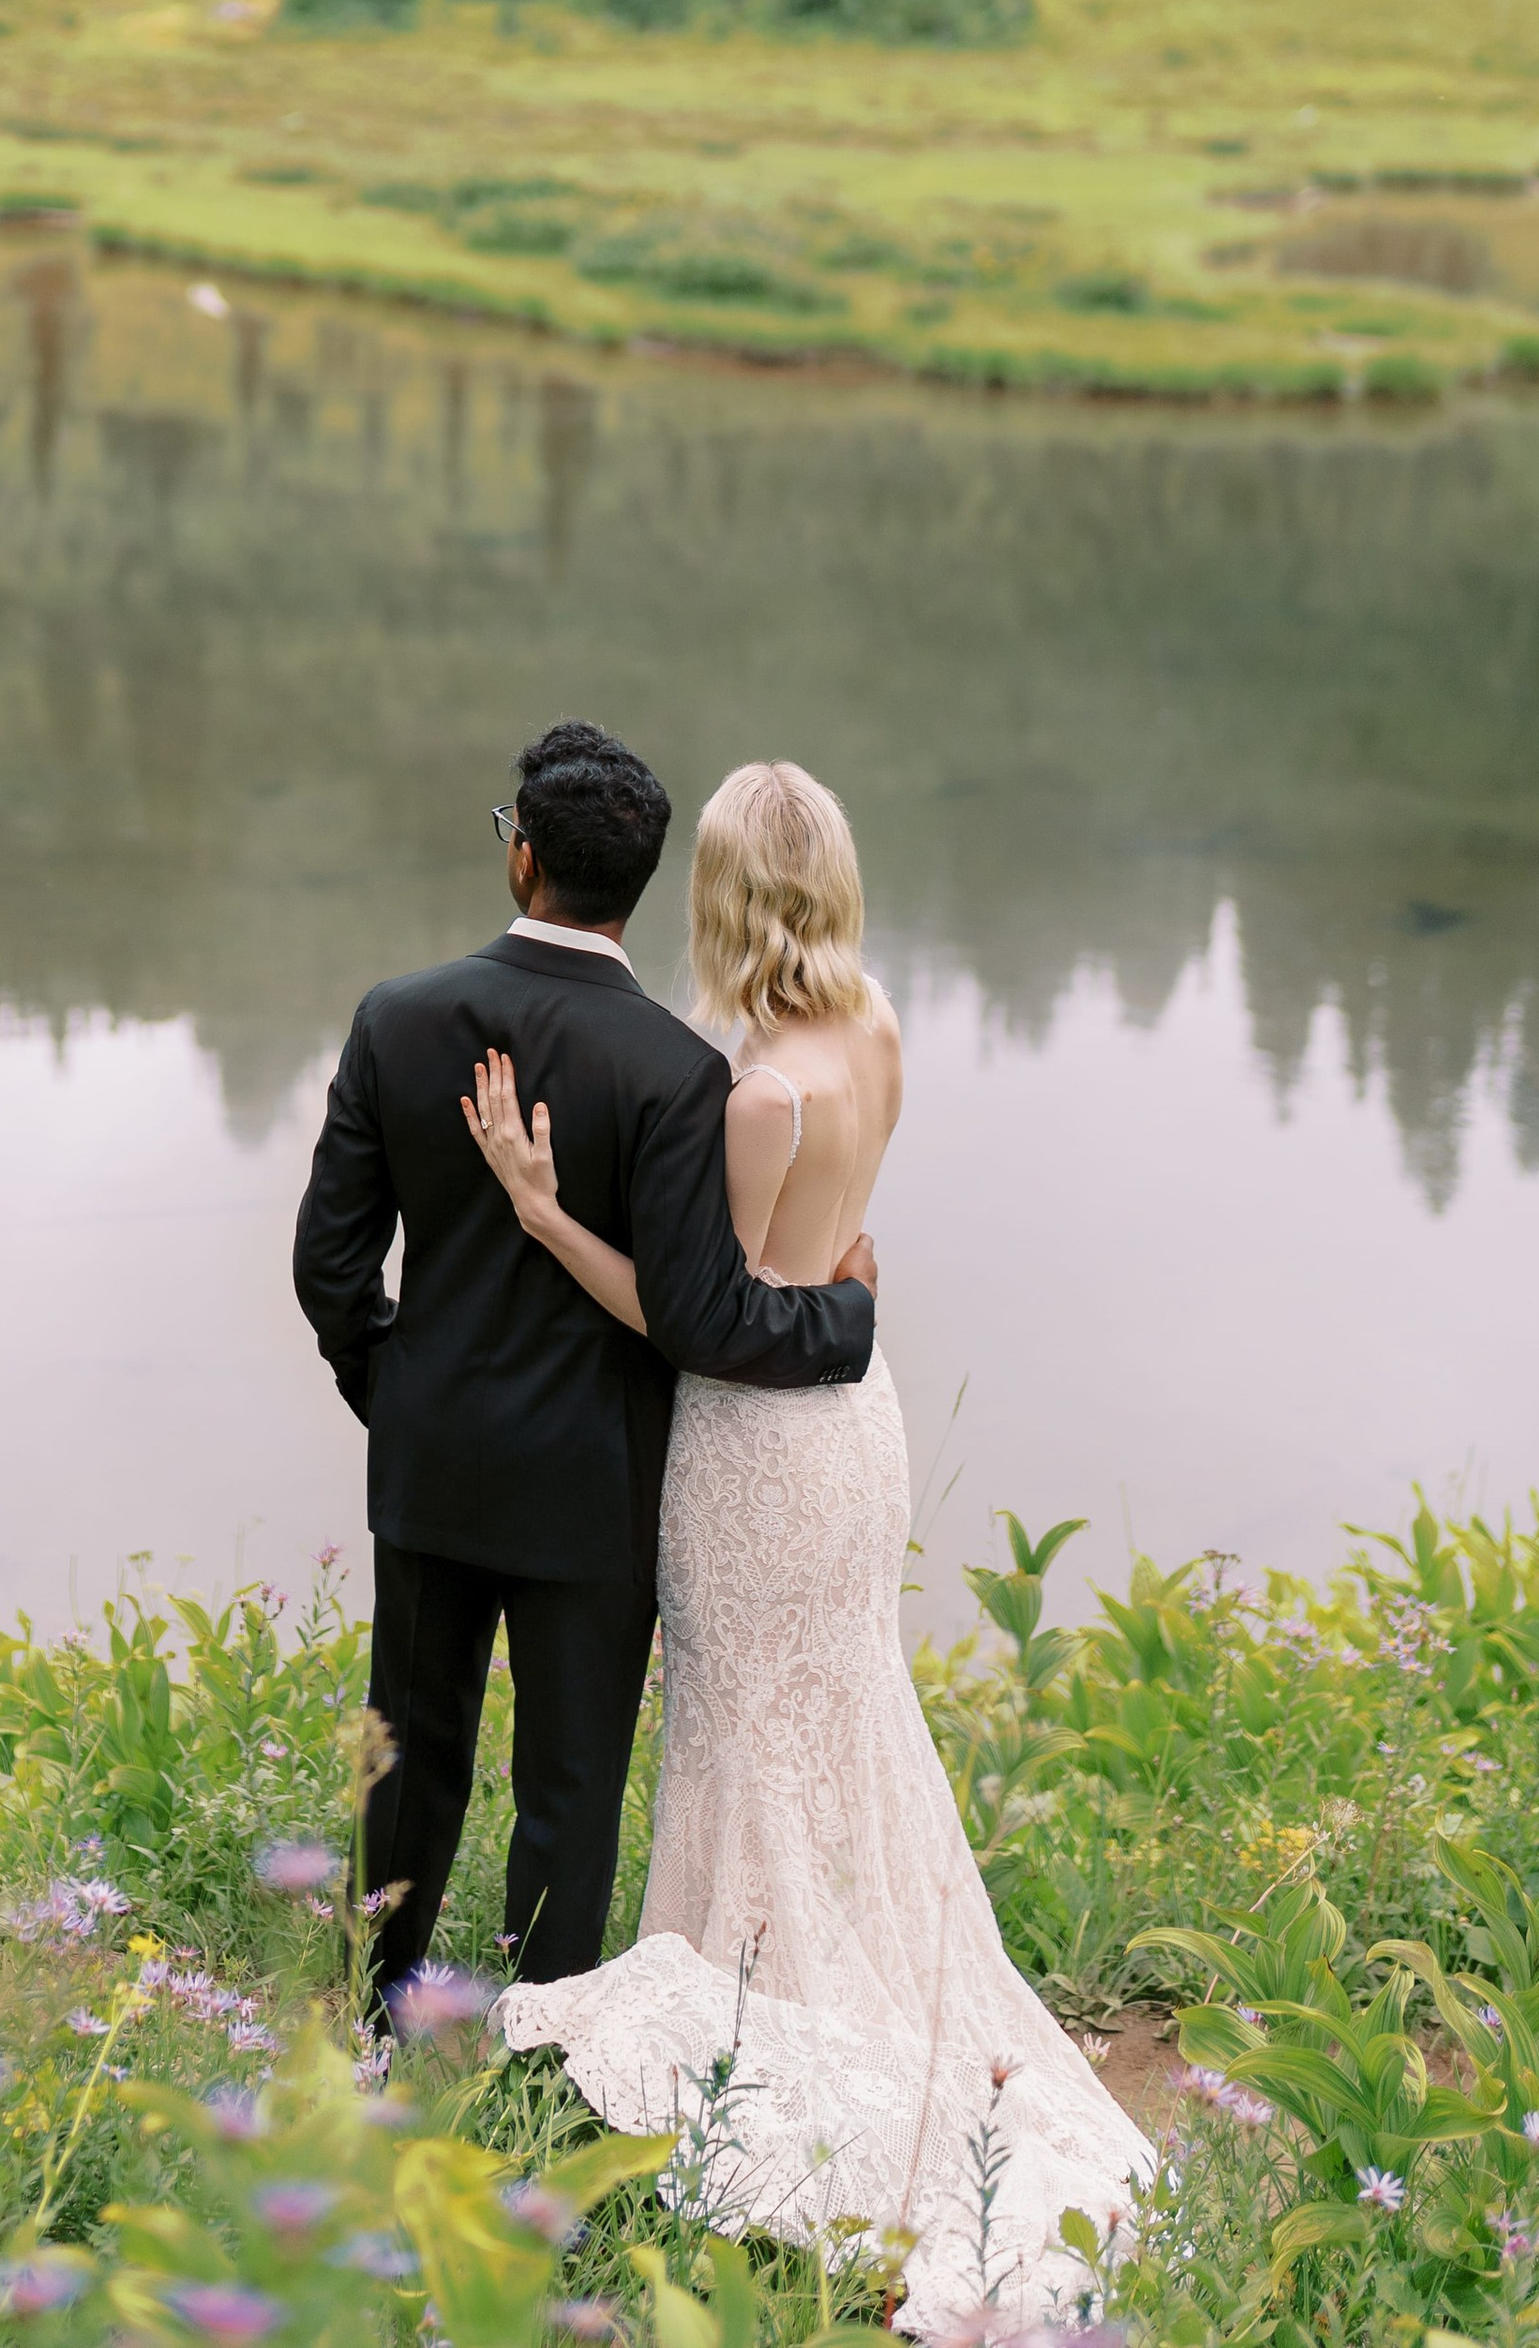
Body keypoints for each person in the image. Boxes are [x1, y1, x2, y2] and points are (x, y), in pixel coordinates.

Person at [468, 758, 1152, 2335]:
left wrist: (539, 1208)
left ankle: (752, 2007)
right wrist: (827, 1283)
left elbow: (694, 1315)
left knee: (745, 1724)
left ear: (722, 895)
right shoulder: (880, 1028)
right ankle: (815, 1965)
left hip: (759, 1441)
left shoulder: (758, 1093)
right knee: (835, 1715)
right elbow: (825, 1267)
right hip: (861, 1426)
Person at [291, 720, 877, 2011]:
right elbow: (702, 1317)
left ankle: (370, 2016)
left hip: (434, 1463)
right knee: (567, 1788)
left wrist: (395, 1393)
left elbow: (331, 1270)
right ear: (638, 885)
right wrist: (847, 1323)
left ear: (524, 861)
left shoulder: (400, 1020)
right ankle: (540, 2048)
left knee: (410, 1757)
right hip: (595, 1489)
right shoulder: (678, 1073)